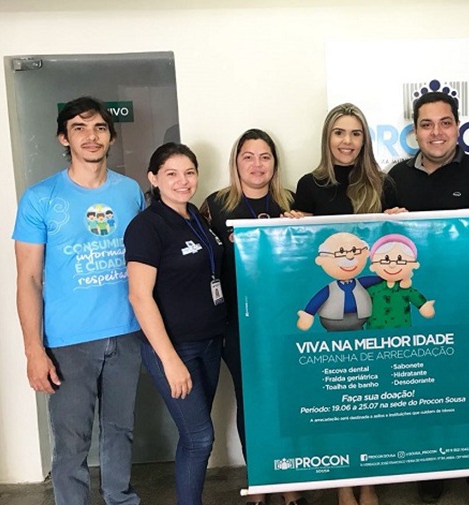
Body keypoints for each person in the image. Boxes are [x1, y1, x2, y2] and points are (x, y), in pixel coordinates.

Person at [12, 96, 144, 505]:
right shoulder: (40, 198)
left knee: (120, 433)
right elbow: (28, 278)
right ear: (63, 138)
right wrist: (34, 350)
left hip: (127, 333)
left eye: (100, 128)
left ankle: (120, 500)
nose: (91, 137)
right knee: (71, 444)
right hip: (68, 341)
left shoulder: (130, 191)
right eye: (79, 128)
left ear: (111, 137)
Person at [386, 91, 469, 505]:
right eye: (426, 124)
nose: (436, 132)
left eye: (444, 123)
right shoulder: (395, 177)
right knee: (422, 388)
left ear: (457, 126)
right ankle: (431, 469)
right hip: (413, 307)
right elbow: (382, 242)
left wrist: (439, 238)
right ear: (415, 131)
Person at [289, 102, 389, 505]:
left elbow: (391, 249)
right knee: (337, 399)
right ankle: (344, 484)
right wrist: (292, 227)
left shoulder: (384, 184)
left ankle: (369, 482)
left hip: (371, 312)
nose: (347, 141)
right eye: (339, 132)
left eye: (355, 133)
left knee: (371, 399)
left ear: (365, 140)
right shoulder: (309, 185)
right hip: (330, 319)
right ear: (327, 138)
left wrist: (401, 218)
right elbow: (304, 256)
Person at [200, 129, 305, 505]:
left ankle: (290, 486)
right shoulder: (215, 206)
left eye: (264, 156)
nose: (257, 164)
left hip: (287, 324)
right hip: (237, 324)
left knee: (287, 400)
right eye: (248, 156)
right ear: (236, 161)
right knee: (253, 401)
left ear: (275, 162)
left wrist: (302, 226)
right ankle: (259, 482)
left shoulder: (291, 203)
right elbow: (203, 266)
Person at [125, 143, 228, 505]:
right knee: (200, 438)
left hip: (209, 343)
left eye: (189, 173)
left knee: (193, 437)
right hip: (174, 348)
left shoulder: (197, 218)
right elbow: (139, 296)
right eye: (171, 173)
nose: (183, 181)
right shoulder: (146, 226)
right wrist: (170, 360)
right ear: (153, 179)